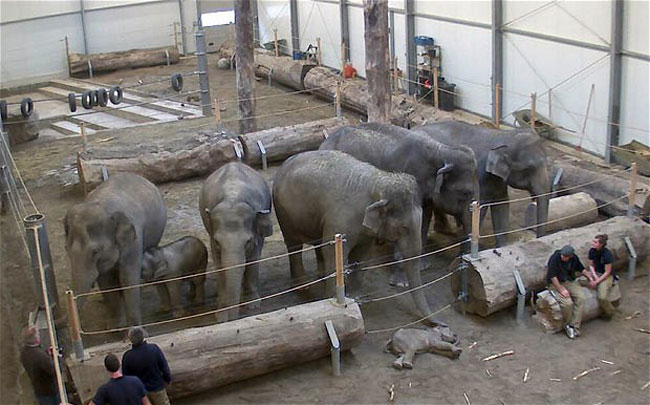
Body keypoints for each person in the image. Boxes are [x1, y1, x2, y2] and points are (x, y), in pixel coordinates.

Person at [546, 245, 590, 339]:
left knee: (581, 297)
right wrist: (561, 289)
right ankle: (567, 324)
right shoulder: (554, 258)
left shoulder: (573, 258)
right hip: (555, 284)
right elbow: (552, 276)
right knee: (567, 303)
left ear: (570, 256)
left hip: (568, 281)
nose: (563, 257)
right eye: (562, 255)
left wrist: (589, 276)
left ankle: (574, 326)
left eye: (565, 256)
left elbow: (581, 268)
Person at [122, 327, 172, 405]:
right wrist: (168, 379)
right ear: (143, 336)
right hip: (157, 388)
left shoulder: (127, 357)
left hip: (140, 393)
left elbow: (126, 378)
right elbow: (164, 367)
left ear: (131, 339)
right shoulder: (154, 348)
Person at [19, 326, 59, 405]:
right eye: (38, 334)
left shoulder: (23, 352)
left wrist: (47, 354)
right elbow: (54, 370)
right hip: (49, 391)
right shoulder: (40, 356)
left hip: (39, 390)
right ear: (36, 339)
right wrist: (56, 357)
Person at [587, 234, 617, 319]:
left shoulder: (607, 254)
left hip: (606, 276)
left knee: (602, 297)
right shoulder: (592, 251)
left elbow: (607, 272)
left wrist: (597, 282)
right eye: (593, 241)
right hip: (596, 273)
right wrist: (594, 277)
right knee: (579, 281)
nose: (592, 243)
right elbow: (591, 265)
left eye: (595, 242)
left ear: (601, 244)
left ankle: (610, 312)